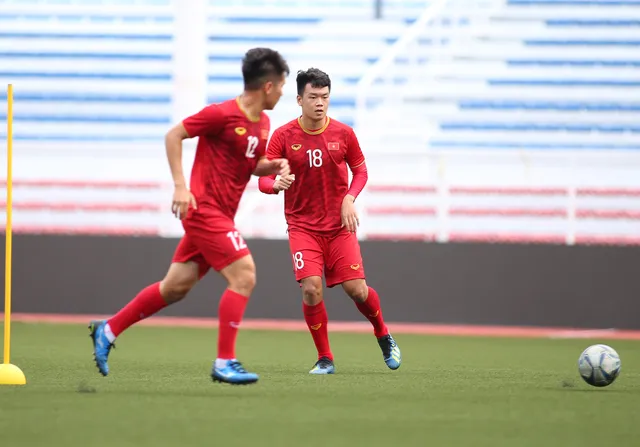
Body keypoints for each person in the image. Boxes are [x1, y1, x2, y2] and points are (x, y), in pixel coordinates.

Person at [88, 47, 291, 385]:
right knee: (245, 275)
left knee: (175, 287)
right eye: (282, 85)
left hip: (221, 214)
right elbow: (174, 134)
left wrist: (272, 166)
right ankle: (225, 361)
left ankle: (108, 331)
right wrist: (180, 186)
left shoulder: (264, 123)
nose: (284, 92)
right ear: (268, 86)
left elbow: (248, 163)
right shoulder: (221, 114)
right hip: (203, 210)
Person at [258, 68, 401, 374]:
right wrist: (274, 185)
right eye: (313, 97)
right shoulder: (283, 137)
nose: (320, 102)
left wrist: (349, 198)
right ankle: (325, 358)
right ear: (299, 99)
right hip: (302, 227)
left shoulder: (343, 134)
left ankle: (382, 333)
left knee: (357, 291)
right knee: (311, 288)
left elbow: (361, 171)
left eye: (325, 97)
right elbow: (262, 179)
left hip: (339, 228)